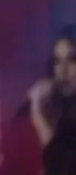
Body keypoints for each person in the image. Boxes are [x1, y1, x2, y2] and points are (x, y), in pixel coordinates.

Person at [27, 25, 76, 175]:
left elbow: (60, 165)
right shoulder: (59, 106)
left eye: (72, 60)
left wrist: (37, 114)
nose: (63, 70)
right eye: (58, 61)